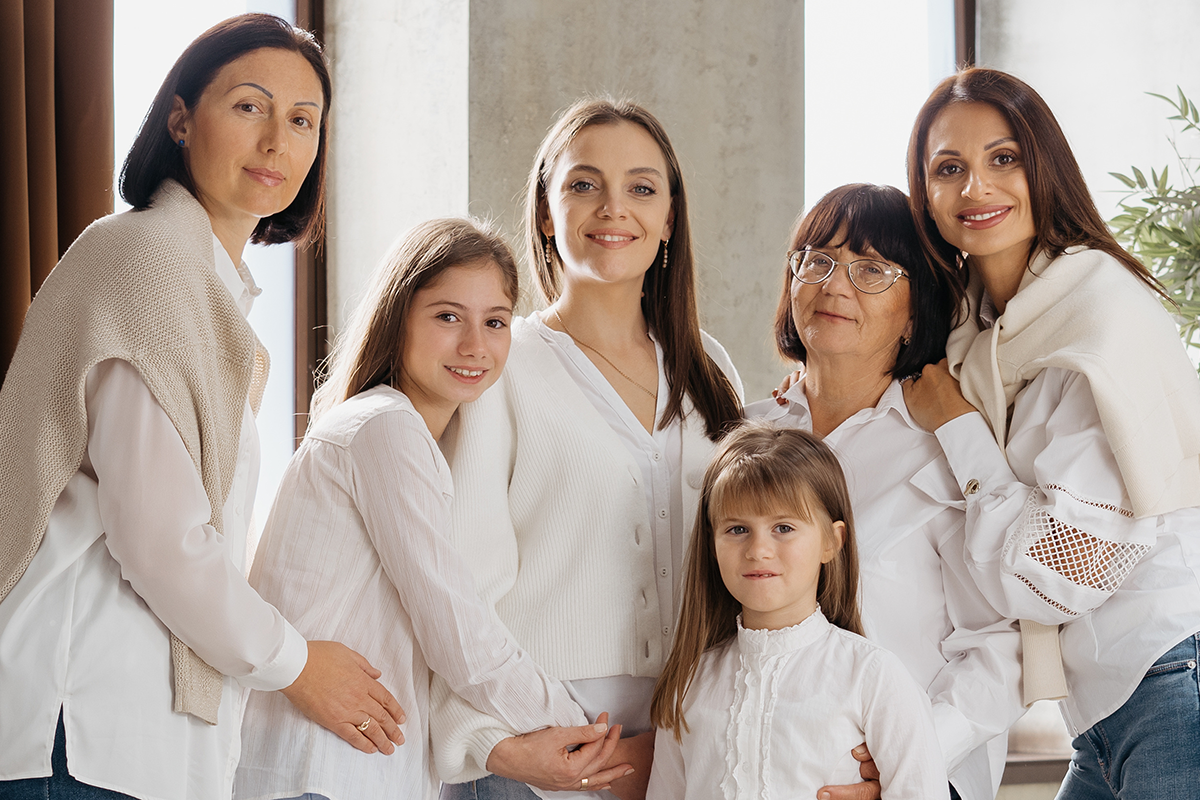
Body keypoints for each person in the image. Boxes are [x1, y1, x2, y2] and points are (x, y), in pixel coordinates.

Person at [0, 14, 403, 800]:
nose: (276, 142)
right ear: (181, 118)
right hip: (80, 725)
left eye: (302, 121)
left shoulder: (201, 282)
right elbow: (161, 542)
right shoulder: (149, 262)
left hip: (109, 736)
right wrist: (298, 666)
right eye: (249, 106)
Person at [236, 217, 631, 800]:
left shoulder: (405, 438)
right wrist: (581, 728)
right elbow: (457, 628)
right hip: (319, 773)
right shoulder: (384, 428)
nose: (474, 346)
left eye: (495, 322)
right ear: (398, 318)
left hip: (356, 771)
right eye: (448, 316)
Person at [432, 99, 743, 800]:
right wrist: (537, 744)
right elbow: (459, 583)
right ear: (546, 211)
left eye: (641, 187)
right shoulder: (499, 361)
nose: (613, 208)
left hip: (681, 751)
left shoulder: (711, 370)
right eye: (582, 184)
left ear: (669, 217)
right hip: (529, 753)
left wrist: (679, 747)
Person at [903, 66, 1200, 798]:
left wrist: (960, 429)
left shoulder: (1098, 319)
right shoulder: (978, 334)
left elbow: (1057, 579)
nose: (977, 188)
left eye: (1003, 159)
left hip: (1170, 680)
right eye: (949, 168)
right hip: (1103, 704)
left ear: (1045, 168)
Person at [752, 184, 1023, 800]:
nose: (836, 285)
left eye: (872, 270)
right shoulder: (747, 437)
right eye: (817, 259)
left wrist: (909, 759)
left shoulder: (944, 451)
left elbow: (999, 644)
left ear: (915, 310)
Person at [646, 421, 948, 799]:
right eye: (738, 529)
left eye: (783, 527)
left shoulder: (874, 679)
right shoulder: (689, 684)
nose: (758, 550)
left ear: (830, 541)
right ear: (712, 544)